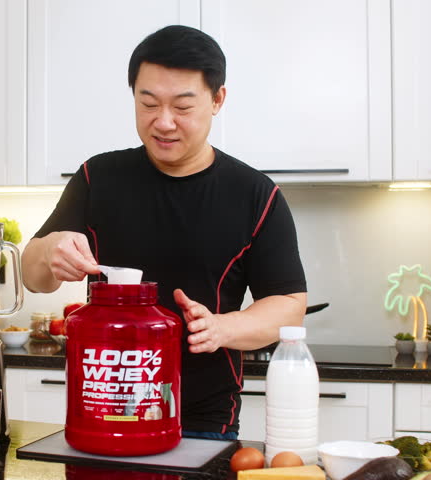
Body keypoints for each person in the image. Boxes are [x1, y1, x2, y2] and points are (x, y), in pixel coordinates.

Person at [21, 25, 307, 440]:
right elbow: (33, 275)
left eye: (183, 107)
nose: (164, 122)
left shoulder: (255, 194)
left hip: (203, 419)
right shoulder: (98, 177)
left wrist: (221, 328)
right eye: (148, 103)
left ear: (217, 100)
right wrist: (51, 251)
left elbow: (288, 306)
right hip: (103, 409)